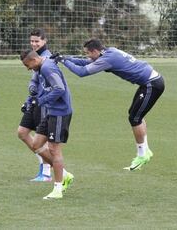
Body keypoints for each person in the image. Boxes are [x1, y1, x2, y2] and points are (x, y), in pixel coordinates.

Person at [53, 38, 165, 171]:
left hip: (152, 84)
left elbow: (82, 72)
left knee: (135, 118)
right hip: (149, 82)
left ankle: (142, 154)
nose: (87, 56)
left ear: (95, 51)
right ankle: (145, 150)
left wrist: (63, 61)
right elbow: (85, 62)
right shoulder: (109, 52)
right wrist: (65, 57)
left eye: (88, 53)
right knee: (134, 115)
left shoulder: (107, 59)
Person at [20, 49, 74, 199]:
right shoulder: (40, 69)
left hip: (60, 112)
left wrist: (40, 101)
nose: (28, 68)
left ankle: (58, 188)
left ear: (33, 60)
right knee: (36, 144)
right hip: (51, 111)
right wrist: (29, 102)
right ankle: (64, 174)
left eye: (27, 65)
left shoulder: (47, 68)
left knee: (54, 149)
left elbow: (59, 89)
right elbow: (41, 90)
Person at [17, 29, 52, 181]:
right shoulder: (33, 57)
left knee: (41, 139)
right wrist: (29, 97)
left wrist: (38, 97)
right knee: (22, 132)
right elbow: (34, 81)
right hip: (33, 101)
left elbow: (48, 85)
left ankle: (46, 171)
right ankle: (44, 165)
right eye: (32, 41)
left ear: (44, 41)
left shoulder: (47, 59)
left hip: (43, 102)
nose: (34, 44)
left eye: (37, 41)